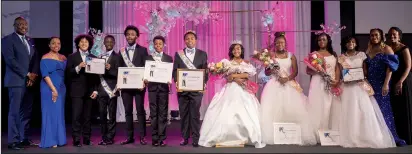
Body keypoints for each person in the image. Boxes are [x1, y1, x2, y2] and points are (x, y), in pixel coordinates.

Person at [198, 40, 265, 148]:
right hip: (230, 89)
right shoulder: (226, 62)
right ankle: (225, 136)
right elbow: (226, 76)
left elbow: (247, 75)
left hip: (243, 89)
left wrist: (234, 77)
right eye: (234, 49)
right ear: (231, 51)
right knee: (226, 110)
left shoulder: (246, 63)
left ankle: (247, 136)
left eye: (238, 48)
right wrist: (233, 78)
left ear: (241, 50)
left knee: (246, 111)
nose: (236, 50)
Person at [337, 36, 396, 148]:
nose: (351, 44)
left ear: (356, 44)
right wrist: (346, 77)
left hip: (360, 86)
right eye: (348, 42)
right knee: (349, 110)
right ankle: (351, 136)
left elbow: (365, 71)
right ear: (345, 44)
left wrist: (361, 75)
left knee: (363, 110)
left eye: (353, 42)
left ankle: (365, 136)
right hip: (348, 87)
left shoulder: (362, 55)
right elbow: (341, 72)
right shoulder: (341, 58)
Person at [260, 32, 316, 145]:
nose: (280, 44)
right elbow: (266, 72)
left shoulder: (291, 55)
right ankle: (275, 135)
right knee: (273, 108)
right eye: (278, 43)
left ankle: (291, 135)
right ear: (275, 44)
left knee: (292, 108)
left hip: (288, 83)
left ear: (285, 43)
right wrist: (270, 68)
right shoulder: (271, 56)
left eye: (282, 42)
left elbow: (295, 71)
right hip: (274, 84)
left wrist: (287, 79)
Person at [2, 17, 40, 150]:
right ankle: (13, 140)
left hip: (29, 81)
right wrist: (26, 74)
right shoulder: (7, 40)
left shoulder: (30, 40)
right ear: (14, 26)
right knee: (15, 112)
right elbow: (10, 61)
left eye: (25, 24)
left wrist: (33, 75)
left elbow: (35, 58)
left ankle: (23, 138)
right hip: (16, 81)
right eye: (20, 24)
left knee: (26, 111)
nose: (23, 26)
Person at [365, 28, 407, 146]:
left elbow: (391, 68)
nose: (374, 37)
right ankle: (376, 136)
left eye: (376, 35)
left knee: (384, 110)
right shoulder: (369, 49)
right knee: (371, 110)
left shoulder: (386, 48)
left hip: (381, 83)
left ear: (381, 36)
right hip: (370, 84)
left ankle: (390, 136)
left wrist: (386, 84)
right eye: (372, 35)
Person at [172, 30, 208, 147]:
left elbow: (205, 72)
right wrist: (177, 83)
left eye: (192, 38)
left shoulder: (202, 54)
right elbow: (175, 71)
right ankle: (185, 137)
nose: (190, 40)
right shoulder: (178, 54)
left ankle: (196, 138)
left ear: (196, 40)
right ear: (184, 41)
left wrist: (203, 84)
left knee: (195, 114)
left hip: (197, 91)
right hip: (183, 90)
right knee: (184, 114)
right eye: (187, 38)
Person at [306, 33, 341, 143]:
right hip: (318, 82)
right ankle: (317, 133)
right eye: (320, 40)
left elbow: (337, 68)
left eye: (324, 39)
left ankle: (329, 133)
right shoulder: (314, 54)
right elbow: (308, 71)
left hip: (331, 82)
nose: (321, 41)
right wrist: (318, 70)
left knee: (330, 106)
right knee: (317, 105)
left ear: (328, 41)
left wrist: (336, 80)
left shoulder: (333, 54)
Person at [66, 34, 99, 147]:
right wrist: (78, 67)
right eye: (82, 42)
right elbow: (68, 73)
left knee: (87, 117)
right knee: (76, 116)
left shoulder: (94, 57)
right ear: (78, 44)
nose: (84, 44)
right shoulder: (72, 56)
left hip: (89, 90)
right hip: (76, 91)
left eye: (86, 42)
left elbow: (96, 76)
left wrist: (95, 90)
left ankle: (86, 138)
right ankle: (76, 139)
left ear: (89, 44)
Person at [118, 25, 149, 145]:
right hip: (126, 86)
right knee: (127, 111)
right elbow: (119, 68)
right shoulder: (121, 52)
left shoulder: (143, 50)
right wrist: (119, 83)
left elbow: (146, 67)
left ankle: (142, 136)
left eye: (132, 34)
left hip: (138, 85)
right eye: (128, 34)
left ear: (137, 36)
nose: (130, 36)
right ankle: (129, 136)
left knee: (140, 110)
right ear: (125, 36)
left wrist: (144, 81)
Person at [144, 36, 173, 147]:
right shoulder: (148, 58)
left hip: (163, 89)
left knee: (163, 114)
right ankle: (155, 137)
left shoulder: (168, 58)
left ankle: (163, 138)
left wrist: (169, 80)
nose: (158, 46)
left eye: (160, 44)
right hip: (152, 89)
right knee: (153, 114)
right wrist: (145, 79)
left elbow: (169, 73)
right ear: (153, 45)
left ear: (163, 45)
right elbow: (146, 73)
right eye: (156, 44)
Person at [39, 37, 67, 148]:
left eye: (58, 43)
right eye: (53, 43)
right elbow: (45, 75)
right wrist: (53, 90)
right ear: (49, 45)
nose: (56, 45)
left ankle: (60, 139)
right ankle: (50, 140)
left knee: (58, 113)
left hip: (61, 88)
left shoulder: (63, 58)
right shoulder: (45, 57)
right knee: (49, 113)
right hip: (48, 88)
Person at [387, 27, 412, 145]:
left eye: (394, 34)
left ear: (399, 36)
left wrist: (400, 81)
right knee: (394, 109)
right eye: (390, 34)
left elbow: (408, 67)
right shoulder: (387, 48)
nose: (392, 36)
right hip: (391, 80)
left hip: (403, 80)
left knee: (403, 109)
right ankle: (396, 137)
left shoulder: (404, 48)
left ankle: (406, 136)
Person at [96, 35, 121, 145]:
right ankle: (103, 136)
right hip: (101, 89)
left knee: (112, 115)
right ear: (104, 43)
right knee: (102, 114)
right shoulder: (100, 57)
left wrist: (110, 68)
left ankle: (110, 137)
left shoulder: (118, 57)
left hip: (112, 90)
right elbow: (96, 76)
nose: (109, 43)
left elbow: (120, 74)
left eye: (111, 41)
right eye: (107, 41)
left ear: (114, 43)